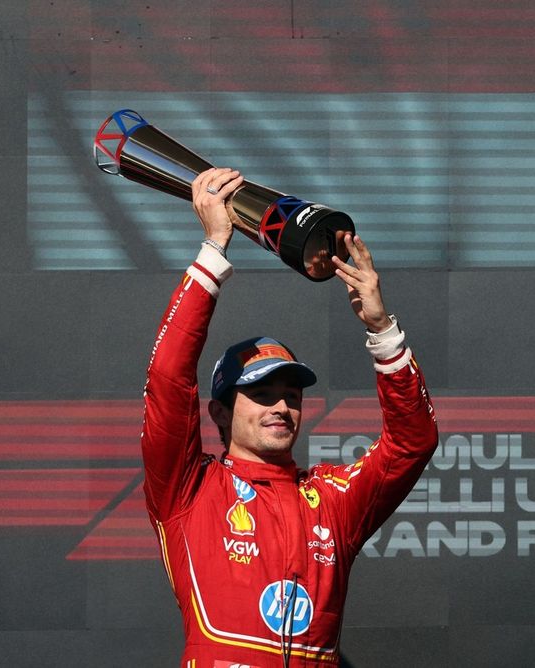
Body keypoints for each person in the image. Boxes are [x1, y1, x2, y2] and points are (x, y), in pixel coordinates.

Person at [141, 167, 438, 667]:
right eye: (261, 394)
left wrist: (382, 330)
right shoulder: (188, 488)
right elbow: (168, 379)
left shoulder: (333, 501)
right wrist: (213, 251)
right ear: (220, 411)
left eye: (291, 395)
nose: (281, 406)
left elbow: (413, 442)